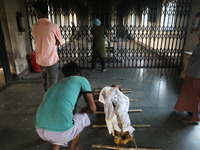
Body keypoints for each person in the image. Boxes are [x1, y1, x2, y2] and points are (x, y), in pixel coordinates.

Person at [35, 61, 96, 150]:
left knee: (62, 120)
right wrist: (84, 110)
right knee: (83, 117)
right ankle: (71, 148)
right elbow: (92, 108)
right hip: (60, 133)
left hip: (40, 130)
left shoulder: (56, 85)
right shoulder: (81, 79)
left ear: (64, 75)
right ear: (78, 74)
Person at [32, 1, 63, 92]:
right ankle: (52, 101)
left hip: (40, 60)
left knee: (44, 82)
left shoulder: (34, 27)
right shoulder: (53, 26)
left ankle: (46, 98)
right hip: (51, 60)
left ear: (38, 12)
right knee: (53, 83)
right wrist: (53, 42)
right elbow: (60, 42)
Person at [174, 32, 200, 123]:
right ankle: (194, 113)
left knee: (192, 95)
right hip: (194, 73)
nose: (198, 35)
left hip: (195, 75)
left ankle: (194, 116)